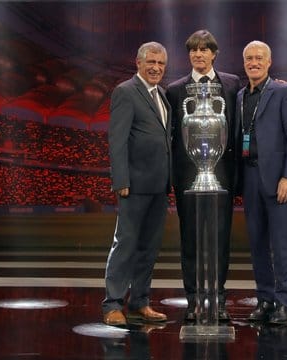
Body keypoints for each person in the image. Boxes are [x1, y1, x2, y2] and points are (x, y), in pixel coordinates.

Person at [166, 30, 241, 322]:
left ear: (214, 53)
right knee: (190, 240)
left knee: (221, 239)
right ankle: (194, 299)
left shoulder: (232, 85)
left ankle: (219, 299)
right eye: (193, 50)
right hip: (187, 179)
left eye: (204, 49)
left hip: (223, 176)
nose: (199, 54)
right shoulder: (174, 90)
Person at [102, 41, 172, 327]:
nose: (156, 68)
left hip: (159, 185)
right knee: (126, 244)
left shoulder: (163, 95)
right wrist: (120, 180)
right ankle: (112, 304)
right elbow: (117, 140)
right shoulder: (125, 91)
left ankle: (140, 301)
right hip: (134, 184)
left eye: (161, 64)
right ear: (139, 63)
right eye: (151, 62)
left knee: (149, 247)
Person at [236, 40, 287, 325]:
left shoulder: (284, 92)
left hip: (278, 180)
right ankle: (264, 300)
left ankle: (283, 303)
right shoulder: (240, 95)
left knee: (281, 243)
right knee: (257, 244)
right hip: (249, 177)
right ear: (244, 63)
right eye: (249, 58)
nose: (253, 62)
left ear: (269, 62)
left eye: (259, 58)